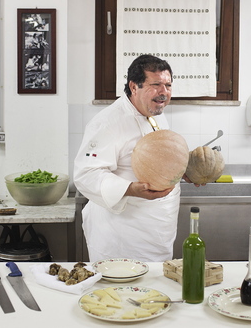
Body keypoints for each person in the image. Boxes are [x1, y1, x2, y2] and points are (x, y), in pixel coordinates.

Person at [74, 55, 184, 262]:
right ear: (134, 87)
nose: (164, 92)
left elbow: (163, 157)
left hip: (157, 232)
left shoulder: (156, 113)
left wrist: (181, 169)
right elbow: (85, 174)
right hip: (122, 236)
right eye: (156, 85)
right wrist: (130, 189)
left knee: (155, 290)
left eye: (168, 85)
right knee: (121, 292)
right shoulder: (108, 122)